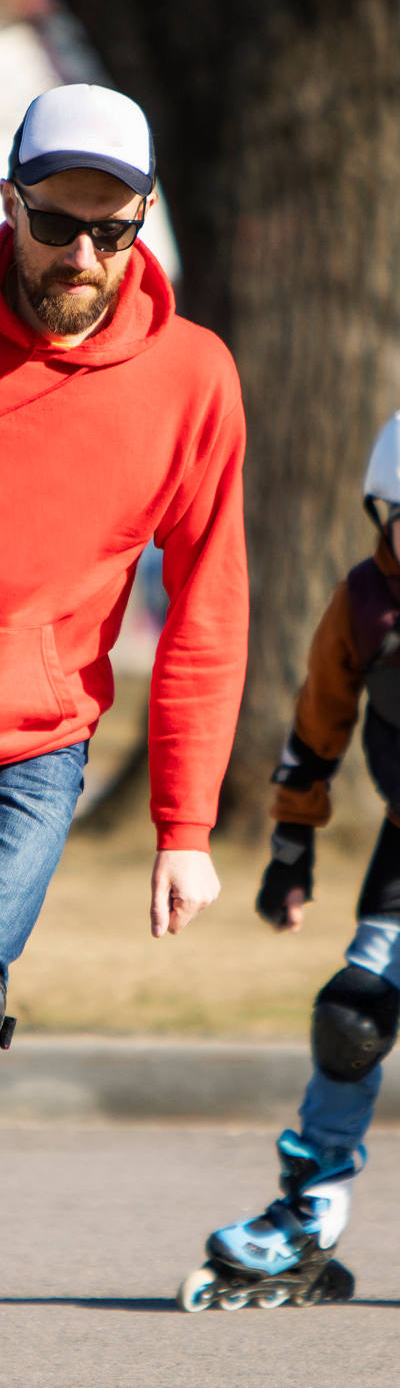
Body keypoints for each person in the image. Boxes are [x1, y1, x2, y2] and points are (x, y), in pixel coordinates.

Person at [0, 80, 248, 1043]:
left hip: (34, 751)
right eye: (56, 223)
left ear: (145, 216)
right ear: (12, 199)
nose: (81, 256)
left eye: (111, 232)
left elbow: (207, 612)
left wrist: (184, 830)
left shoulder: (192, 380)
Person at [178, 411, 400, 1309]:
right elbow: (319, 722)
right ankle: (310, 1213)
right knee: (351, 1017)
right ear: (379, 515)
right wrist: (290, 845)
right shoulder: (364, 606)